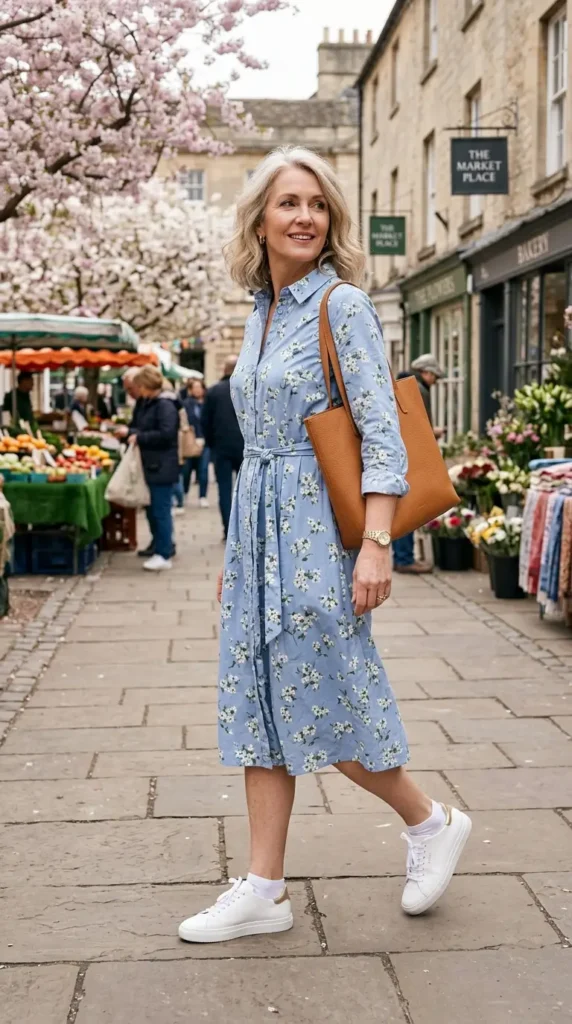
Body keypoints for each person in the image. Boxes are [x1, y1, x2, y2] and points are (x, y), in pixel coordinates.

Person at [178, 146, 471, 945]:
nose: (304, 215)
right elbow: (257, 447)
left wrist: (376, 544)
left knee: (325, 696)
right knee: (258, 708)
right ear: (260, 221)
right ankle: (265, 887)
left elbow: (384, 437)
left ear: (330, 219)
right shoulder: (261, 310)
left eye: (316, 203)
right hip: (259, 534)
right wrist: (238, 549)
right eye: (287, 203)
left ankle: (427, 821)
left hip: (317, 536)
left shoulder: (341, 305)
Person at [393, 354, 445, 575]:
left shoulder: (400, 385)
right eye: (435, 377)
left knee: (402, 506)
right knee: (409, 507)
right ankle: (405, 559)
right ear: (427, 373)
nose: (435, 381)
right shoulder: (419, 390)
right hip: (410, 456)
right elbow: (418, 425)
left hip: (399, 453)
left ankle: (403, 557)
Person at [128, 366, 179, 572]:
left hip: (162, 465)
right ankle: (158, 546)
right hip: (149, 464)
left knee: (161, 511)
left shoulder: (165, 405)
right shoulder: (145, 403)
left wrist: (140, 437)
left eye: (139, 386)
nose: (137, 390)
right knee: (152, 510)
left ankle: (164, 553)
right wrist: (131, 432)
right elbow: (137, 425)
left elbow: (167, 434)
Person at [202, 355, 244, 539]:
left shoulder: (213, 391)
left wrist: (212, 444)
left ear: (224, 370)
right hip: (246, 448)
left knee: (224, 490)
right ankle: (245, 528)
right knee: (245, 490)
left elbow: (205, 422)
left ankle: (229, 529)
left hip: (221, 447)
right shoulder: (247, 389)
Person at [181, 378, 210, 508]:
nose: (198, 390)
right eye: (195, 387)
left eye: (200, 387)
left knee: (203, 469)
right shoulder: (186, 404)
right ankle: (185, 493)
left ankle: (202, 496)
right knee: (187, 470)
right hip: (190, 441)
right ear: (190, 390)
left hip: (205, 441)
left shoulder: (208, 403)